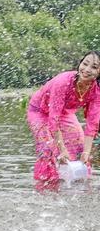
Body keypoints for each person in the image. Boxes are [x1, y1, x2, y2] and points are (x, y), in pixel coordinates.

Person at [27, 50, 100, 191]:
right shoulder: (63, 82)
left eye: (94, 67)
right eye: (85, 64)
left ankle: (79, 187)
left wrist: (86, 152)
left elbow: (92, 124)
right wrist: (61, 149)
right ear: (80, 64)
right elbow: (53, 119)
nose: (87, 70)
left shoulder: (96, 91)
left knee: (79, 147)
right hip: (40, 111)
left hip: (65, 113)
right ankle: (46, 187)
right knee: (49, 149)